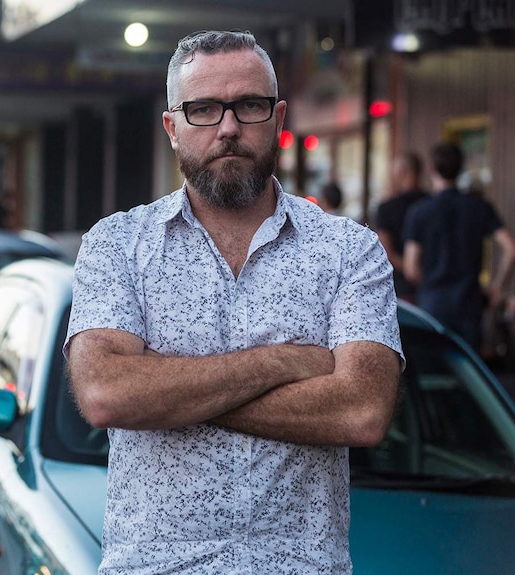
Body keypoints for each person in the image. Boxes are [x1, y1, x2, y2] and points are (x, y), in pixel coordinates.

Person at [64, 30, 403, 575]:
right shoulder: (116, 245)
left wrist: (165, 395)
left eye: (249, 105)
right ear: (173, 128)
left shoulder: (348, 250)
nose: (228, 128)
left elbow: (361, 411)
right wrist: (284, 362)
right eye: (204, 109)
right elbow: (106, 394)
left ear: (279, 117)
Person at [403, 141, 515, 351]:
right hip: (469, 303)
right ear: (461, 169)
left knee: (433, 372)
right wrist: (498, 287)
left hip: (432, 303)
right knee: (470, 374)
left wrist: (429, 284)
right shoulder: (479, 206)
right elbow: (510, 248)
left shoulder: (419, 212)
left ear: (431, 169)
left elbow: (410, 267)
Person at [374, 152, 429, 301]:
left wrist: (412, 271)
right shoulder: (432, 204)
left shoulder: (387, 207)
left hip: (401, 289)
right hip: (435, 288)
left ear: (401, 173)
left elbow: (387, 252)